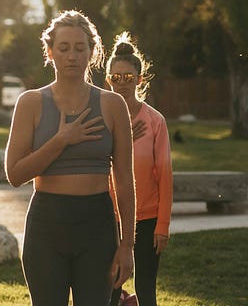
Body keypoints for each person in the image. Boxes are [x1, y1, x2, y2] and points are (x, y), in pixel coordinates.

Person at [3, 10, 135, 306]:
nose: (72, 56)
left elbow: (125, 179)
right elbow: (15, 174)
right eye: (63, 48)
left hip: (97, 225)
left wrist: (127, 246)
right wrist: (60, 140)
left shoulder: (113, 105)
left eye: (80, 48)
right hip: (47, 224)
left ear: (92, 51)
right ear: (50, 52)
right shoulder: (31, 103)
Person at [104, 33, 171, 306]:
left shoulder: (155, 122)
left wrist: (163, 225)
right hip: (108, 219)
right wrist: (125, 139)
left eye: (128, 77)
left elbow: (165, 177)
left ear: (140, 79)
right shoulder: (99, 117)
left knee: (146, 291)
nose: (122, 84)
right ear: (108, 79)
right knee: (107, 292)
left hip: (147, 220)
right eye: (116, 78)